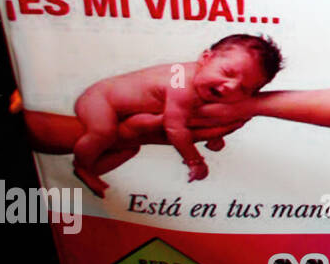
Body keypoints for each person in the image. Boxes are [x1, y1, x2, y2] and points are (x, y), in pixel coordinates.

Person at [71, 34, 283, 196]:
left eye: (244, 89)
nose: (230, 87)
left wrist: (215, 136)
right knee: (103, 132)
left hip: (124, 112)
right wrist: (194, 161)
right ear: (206, 58)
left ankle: (87, 173)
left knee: (128, 149)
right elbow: (175, 128)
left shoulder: (206, 84)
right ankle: (82, 166)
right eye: (227, 73)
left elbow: (206, 112)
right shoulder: (179, 79)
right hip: (100, 99)